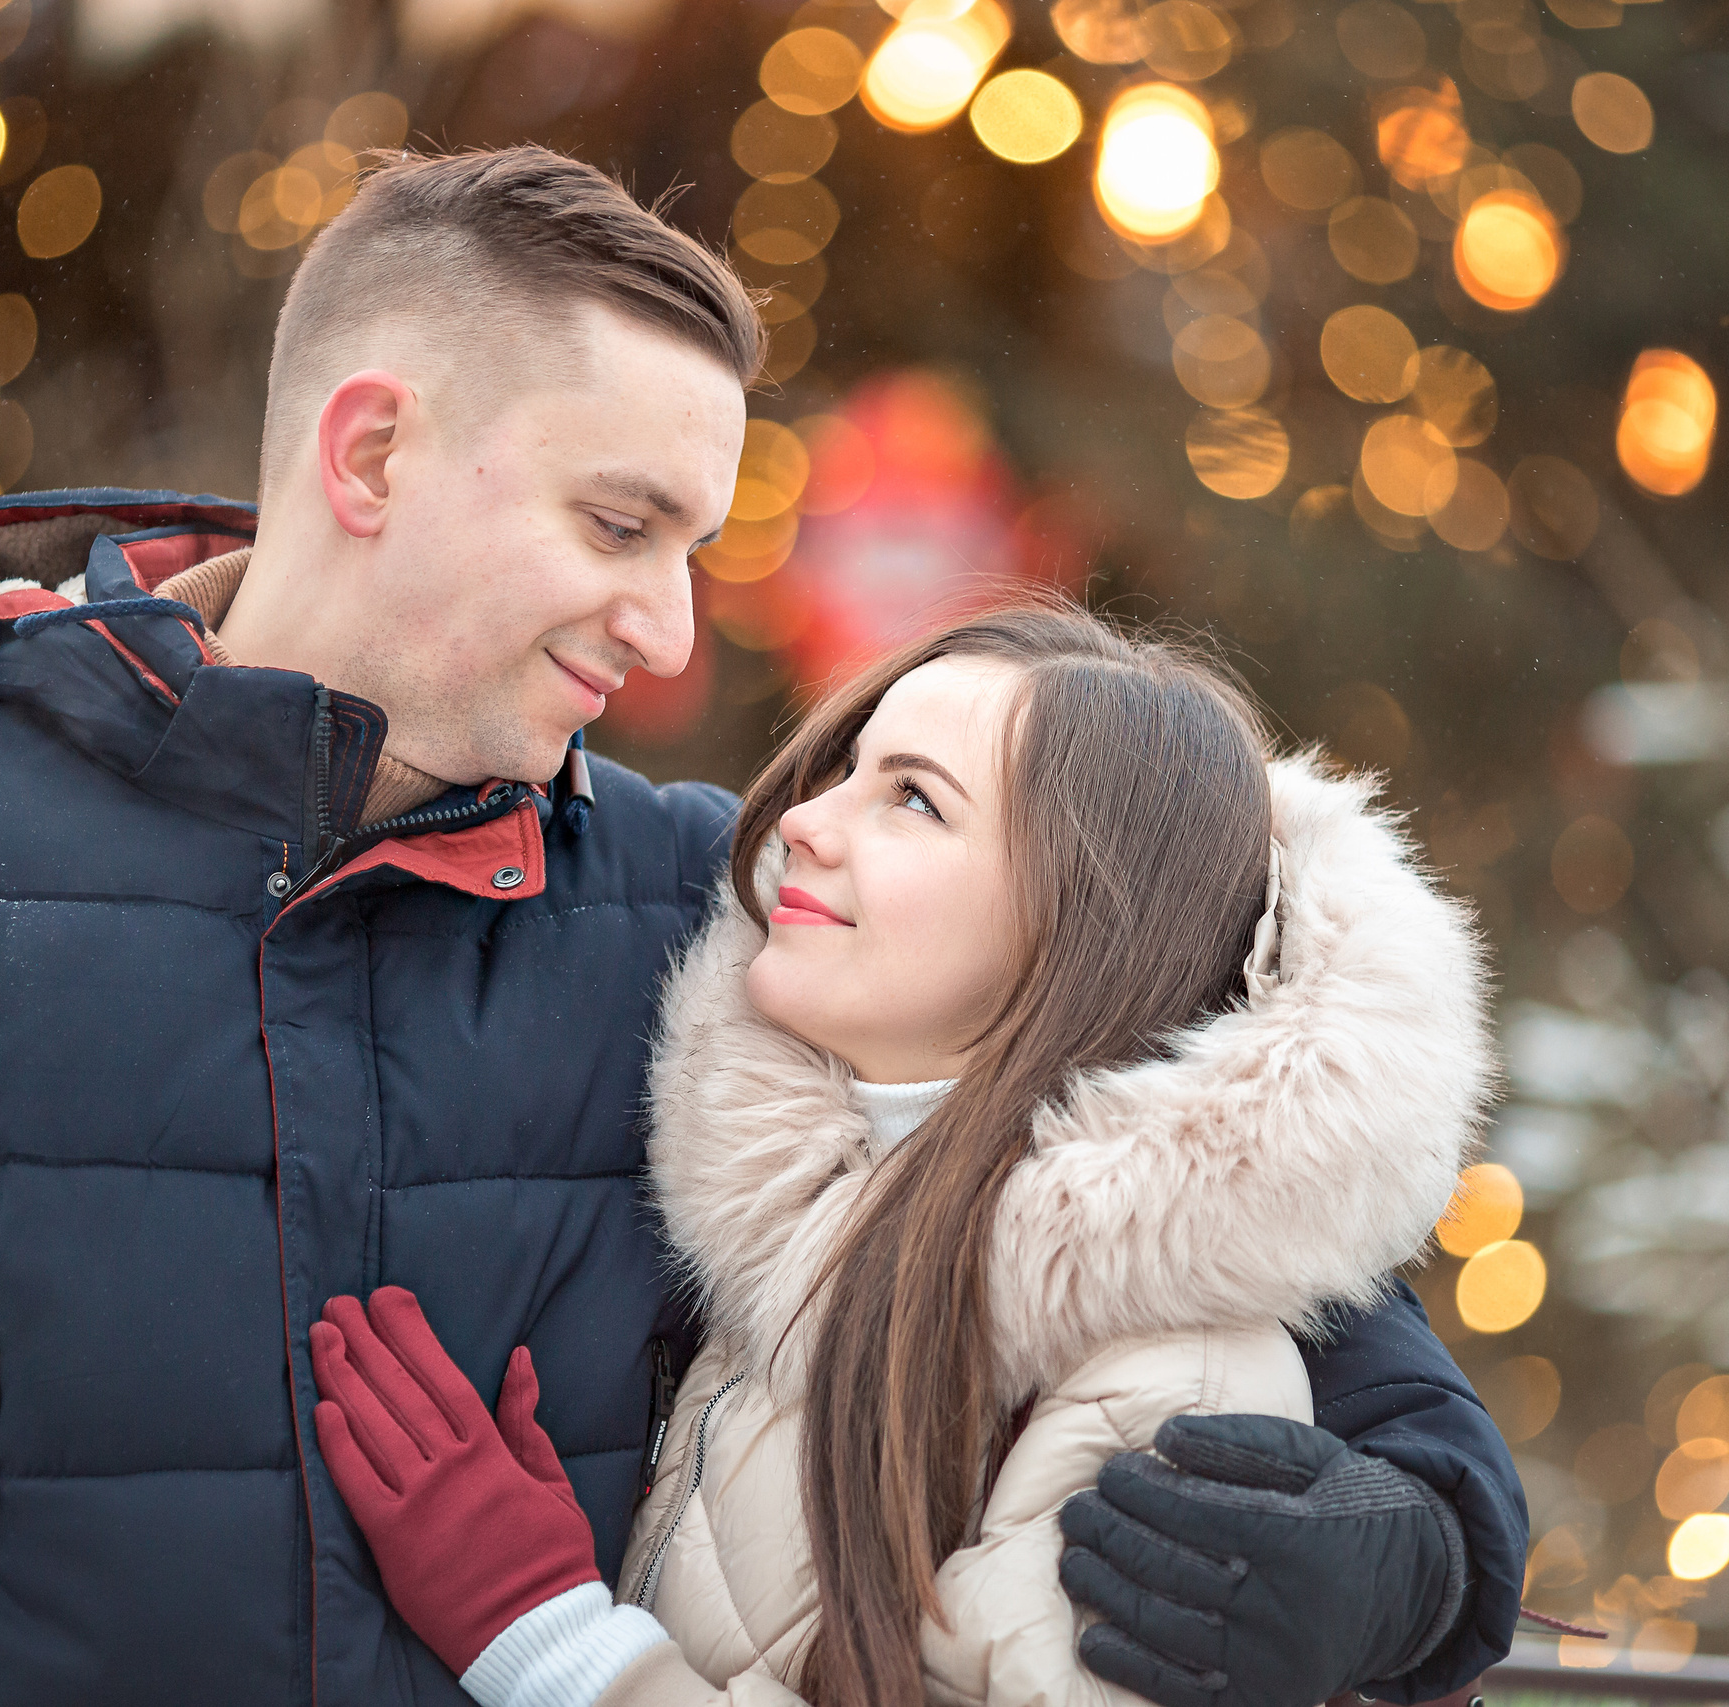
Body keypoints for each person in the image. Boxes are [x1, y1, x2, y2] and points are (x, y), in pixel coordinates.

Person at [0, 148, 1519, 1706]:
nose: (674, 629)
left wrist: (1411, 1557)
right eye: (621, 528)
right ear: (369, 456)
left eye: (696, 546)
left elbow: (1204, 1202)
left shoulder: (713, 917)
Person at [306, 606, 1504, 1707]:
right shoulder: (783, 1201)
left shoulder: (1173, 1377)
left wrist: (550, 1638)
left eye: (914, 799)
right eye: (846, 772)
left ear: (1086, 925)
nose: (798, 826)